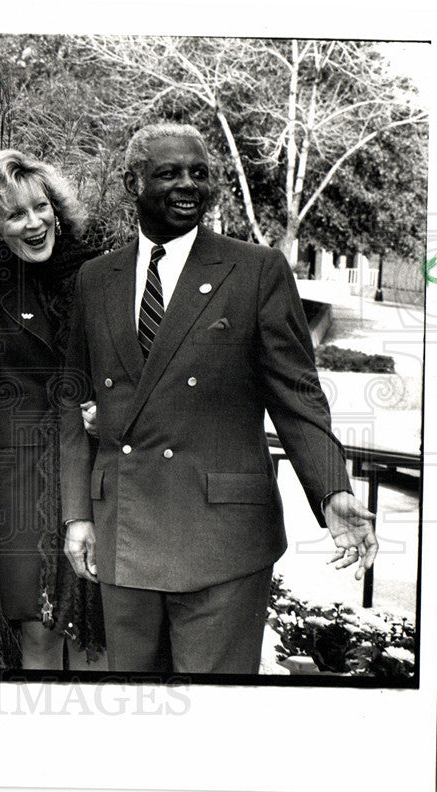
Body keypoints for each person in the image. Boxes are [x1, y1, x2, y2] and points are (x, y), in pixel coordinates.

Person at [60, 122, 377, 674]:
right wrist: (75, 515)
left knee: (216, 722)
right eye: (169, 173)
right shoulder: (96, 278)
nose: (189, 185)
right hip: (122, 534)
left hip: (222, 540)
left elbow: (297, 394)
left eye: (199, 173)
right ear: (133, 182)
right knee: (139, 718)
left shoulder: (255, 270)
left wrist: (331, 488)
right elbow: (72, 401)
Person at [0, 150, 104, 670]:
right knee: (38, 634)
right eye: (16, 214)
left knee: (95, 639)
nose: (35, 222)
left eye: (41, 207)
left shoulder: (99, 274)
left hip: (97, 470)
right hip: (21, 482)